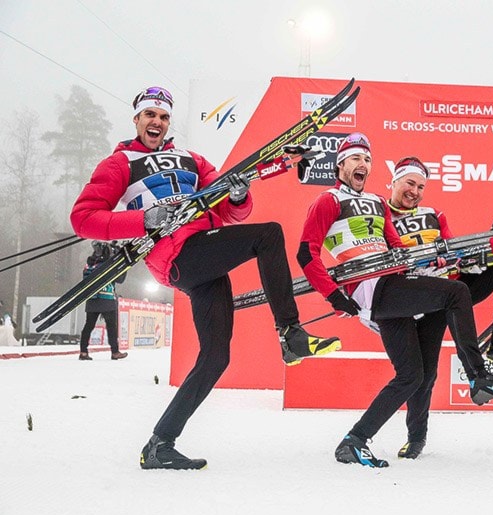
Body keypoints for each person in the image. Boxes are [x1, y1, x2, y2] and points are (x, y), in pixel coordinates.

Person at [70, 86, 341, 470]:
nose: (157, 123)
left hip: (205, 255)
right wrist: (143, 220)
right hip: (174, 255)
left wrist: (236, 196)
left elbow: (232, 213)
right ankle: (291, 334)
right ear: (137, 119)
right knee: (269, 235)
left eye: (163, 117)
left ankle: (160, 444)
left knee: (216, 356)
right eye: (150, 115)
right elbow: (83, 218)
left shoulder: (192, 160)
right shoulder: (119, 164)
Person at [296, 133, 493, 467]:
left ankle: (354, 441)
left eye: (367, 160)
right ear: (340, 164)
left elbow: (397, 251)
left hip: (395, 286)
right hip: (372, 289)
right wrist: (333, 295)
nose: (363, 165)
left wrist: (435, 260)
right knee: (457, 293)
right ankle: (478, 376)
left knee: (412, 376)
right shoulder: (328, 200)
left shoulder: (375, 202)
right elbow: (307, 253)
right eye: (356, 159)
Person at [386, 155, 493, 459]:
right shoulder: (379, 213)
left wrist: (460, 262)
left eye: (421, 186)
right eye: (410, 183)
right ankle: (417, 435)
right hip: (406, 297)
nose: (415, 191)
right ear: (394, 182)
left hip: (443, 292)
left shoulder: (434, 214)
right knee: (420, 375)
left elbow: (450, 248)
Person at [78, 241, 128, 361]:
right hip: (106, 299)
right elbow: (120, 279)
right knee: (111, 327)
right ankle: (115, 352)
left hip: (92, 299)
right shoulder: (108, 265)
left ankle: (83, 352)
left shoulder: (89, 264)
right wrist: (123, 265)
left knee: (88, 325)